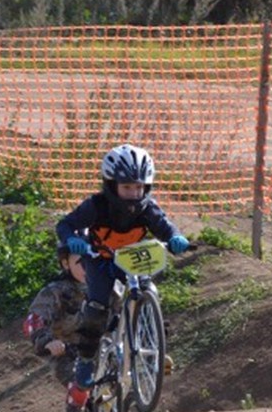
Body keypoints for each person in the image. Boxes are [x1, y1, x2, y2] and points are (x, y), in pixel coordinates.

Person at [55, 143, 189, 396]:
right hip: (101, 260)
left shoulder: (147, 208)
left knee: (150, 291)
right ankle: (86, 359)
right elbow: (66, 224)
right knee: (97, 307)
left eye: (139, 187)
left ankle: (152, 347)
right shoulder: (96, 206)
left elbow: (164, 226)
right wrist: (72, 239)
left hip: (133, 260)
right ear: (111, 185)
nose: (134, 193)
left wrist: (175, 237)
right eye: (127, 187)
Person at [22, 241, 101, 412]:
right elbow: (34, 320)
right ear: (66, 264)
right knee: (79, 380)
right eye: (81, 262)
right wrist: (47, 341)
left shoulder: (107, 286)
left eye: (92, 261)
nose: (88, 268)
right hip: (67, 350)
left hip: (102, 346)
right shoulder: (56, 291)